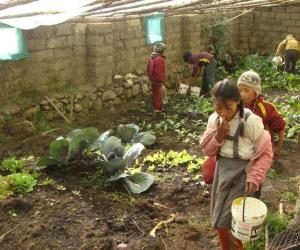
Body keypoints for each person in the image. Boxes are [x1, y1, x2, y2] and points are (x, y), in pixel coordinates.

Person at [200, 79, 273, 250]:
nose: (224, 113)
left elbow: (266, 151)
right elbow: (206, 150)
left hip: (244, 173)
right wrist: (218, 136)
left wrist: (255, 176)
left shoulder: (250, 121)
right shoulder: (214, 120)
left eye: (229, 108)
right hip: (223, 171)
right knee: (220, 219)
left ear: (238, 102)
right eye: (219, 108)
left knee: (225, 222)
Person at [237, 70, 286, 160]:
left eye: (247, 90)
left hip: (262, 149)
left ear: (256, 91)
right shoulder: (236, 105)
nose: (243, 94)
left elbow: (280, 128)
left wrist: (279, 146)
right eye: (240, 90)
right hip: (241, 149)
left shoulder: (267, 108)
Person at [147, 42, 166, 118]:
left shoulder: (151, 58)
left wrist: (150, 78)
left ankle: (156, 111)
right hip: (158, 81)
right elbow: (159, 72)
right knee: (159, 97)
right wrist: (161, 82)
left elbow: (148, 69)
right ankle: (158, 113)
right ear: (162, 51)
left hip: (153, 80)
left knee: (155, 96)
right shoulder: (159, 59)